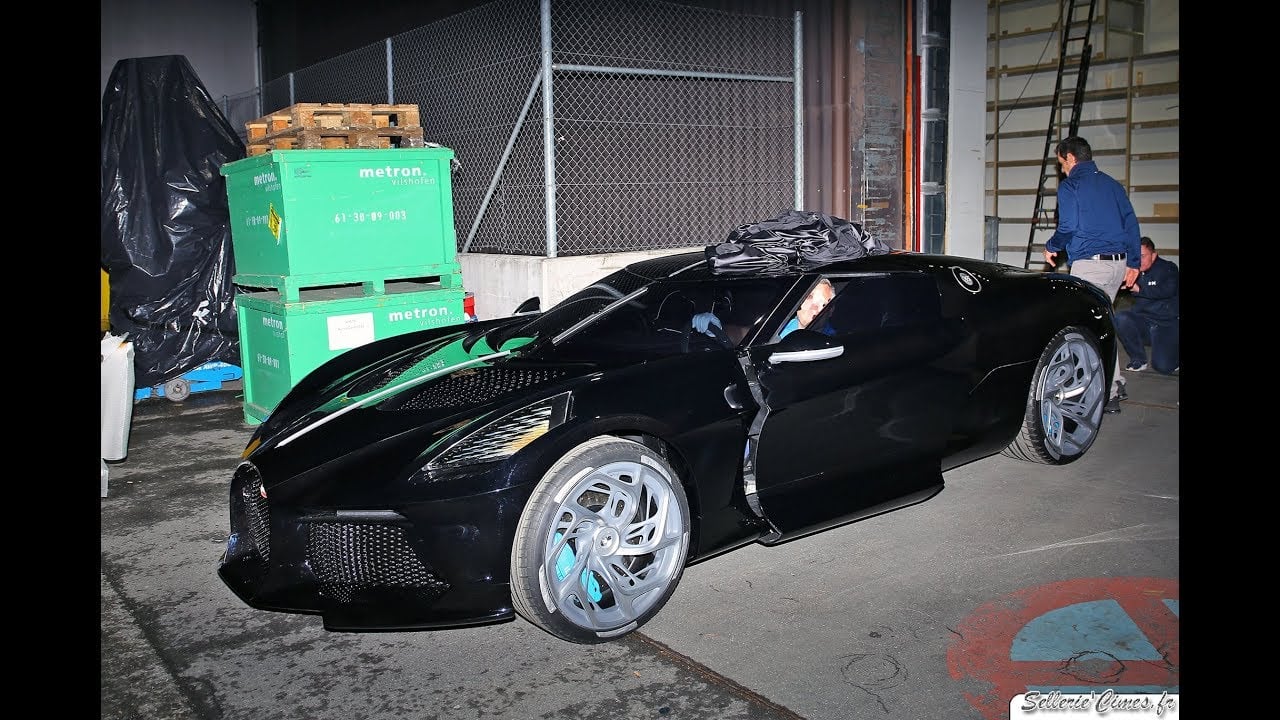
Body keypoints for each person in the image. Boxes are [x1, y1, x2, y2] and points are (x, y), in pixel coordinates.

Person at [1042, 136, 1142, 414]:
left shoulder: (1071, 185)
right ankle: (1116, 381)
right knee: (1104, 323)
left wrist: (1051, 247)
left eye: (1061, 163)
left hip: (1090, 266)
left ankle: (1105, 394)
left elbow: (1069, 227)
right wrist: (1133, 263)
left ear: (1071, 158)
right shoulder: (1112, 185)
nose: (1061, 169)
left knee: (1086, 329)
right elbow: (1131, 223)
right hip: (1118, 264)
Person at [1114, 237, 1179, 374]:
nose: (1139, 260)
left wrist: (1140, 289)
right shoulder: (1133, 270)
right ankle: (1138, 359)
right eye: (1136, 256)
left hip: (1165, 324)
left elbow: (1168, 290)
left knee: (1164, 367)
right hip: (1143, 321)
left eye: (1143, 256)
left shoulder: (1169, 268)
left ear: (1154, 255)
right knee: (1121, 318)